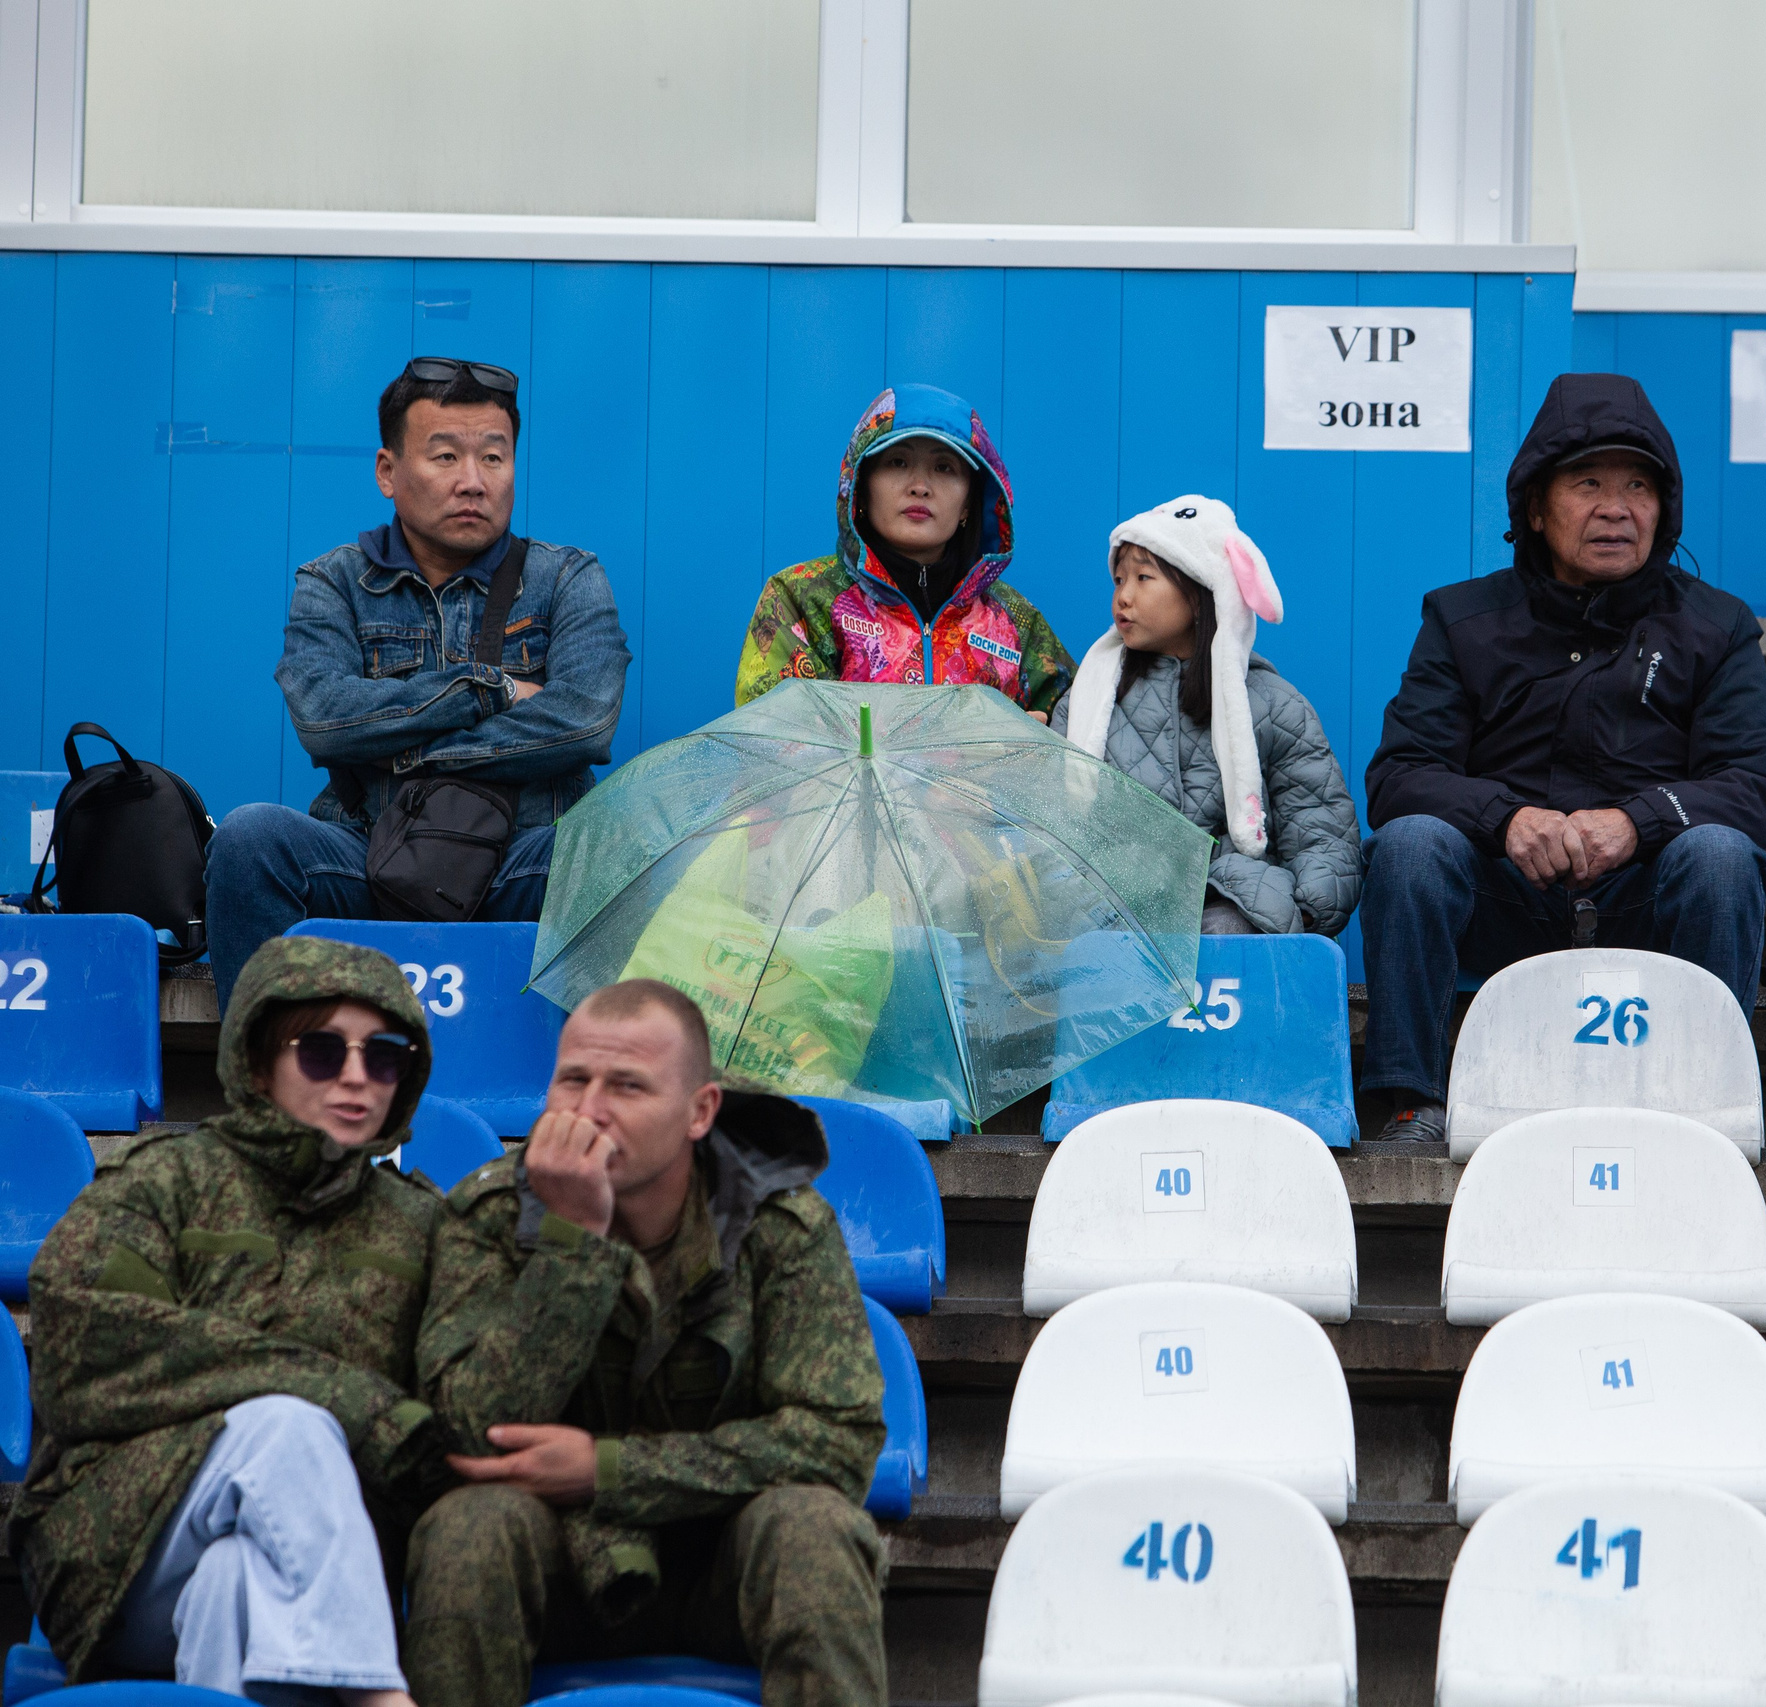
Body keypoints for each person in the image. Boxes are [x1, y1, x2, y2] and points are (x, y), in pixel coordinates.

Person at [403, 980, 886, 1707]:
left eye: (627, 1085)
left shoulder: (780, 1225)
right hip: (551, 1562)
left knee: (814, 1526)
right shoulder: (490, 1214)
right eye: (572, 1079)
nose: (588, 1108)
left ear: (700, 1111)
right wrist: (571, 1243)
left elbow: (838, 1441)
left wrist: (611, 1469)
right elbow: (465, 1432)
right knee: (467, 1527)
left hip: (722, 1564)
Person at [1359, 373, 1766, 1141]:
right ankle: (1409, 1101)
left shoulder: (1714, 625)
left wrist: (1639, 822)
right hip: (1506, 897)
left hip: (1644, 898)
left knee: (1722, 854)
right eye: (1587, 482)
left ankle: (1707, 1103)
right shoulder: (1461, 619)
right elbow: (1399, 776)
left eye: (1637, 486)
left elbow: (1760, 786)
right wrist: (1507, 819)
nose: (1616, 508)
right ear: (1535, 505)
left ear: (1664, 510)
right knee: (1411, 843)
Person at [12, 936, 448, 1703]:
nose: (355, 1075)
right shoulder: (161, 1182)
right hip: (118, 1550)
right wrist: (330, 1390)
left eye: (383, 1055)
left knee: (237, 1579)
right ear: (256, 1061)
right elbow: (85, 1355)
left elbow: (460, 1406)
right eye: (320, 1049)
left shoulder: (423, 1225)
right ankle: (384, 1697)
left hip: (315, 1573)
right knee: (287, 1424)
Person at [205, 358, 631, 1010]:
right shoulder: (333, 583)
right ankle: (267, 1090)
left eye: (494, 457)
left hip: (521, 859)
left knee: (618, 843)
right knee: (247, 839)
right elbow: (324, 717)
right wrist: (489, 690)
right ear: (387, 472)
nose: (473, 482)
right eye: (445, 457)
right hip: (369, 853)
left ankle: (583, 1092)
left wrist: (404, 747)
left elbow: (585, 720)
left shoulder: (568, 578)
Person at [1056, 496, 1360, 935]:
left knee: (1223, 931)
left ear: (1200, 593)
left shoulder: (1272, 703)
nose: (1123, 596)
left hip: (1229, 899)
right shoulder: (1089, 700)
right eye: (1119, 579)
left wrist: (1307, 910)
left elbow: (1321, 826)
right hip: (1113, 906)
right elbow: (1055, 822)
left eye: (1144, 578)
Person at [735, 382, 1072, 721]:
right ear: (861, 487)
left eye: (944, 467)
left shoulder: (1014, 620)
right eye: (897, 462)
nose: (919, 486)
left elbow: (1080, 728)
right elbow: (770, 735)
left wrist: (1033, 744)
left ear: (970, 503)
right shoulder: (801, 600)